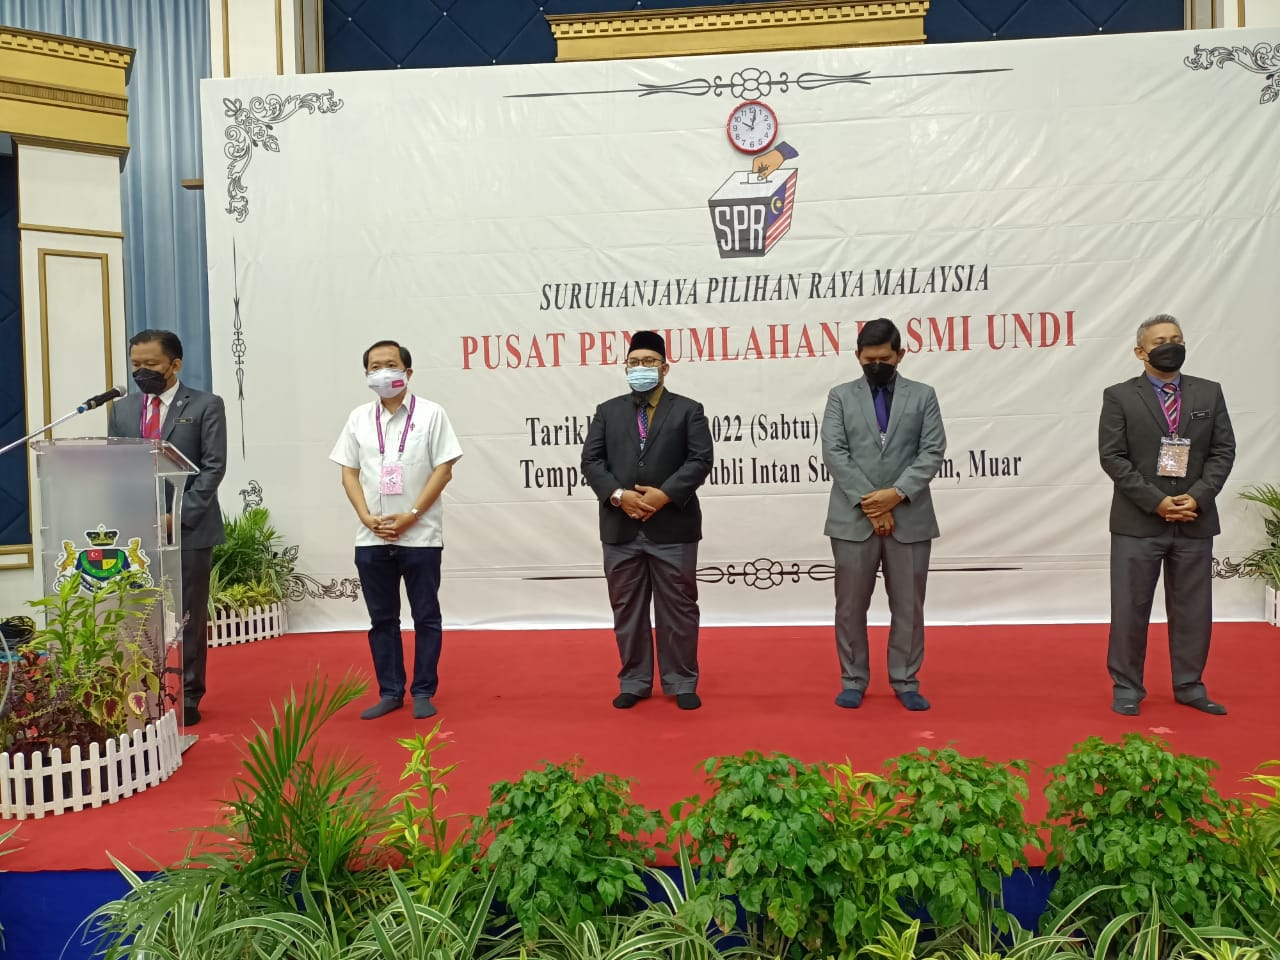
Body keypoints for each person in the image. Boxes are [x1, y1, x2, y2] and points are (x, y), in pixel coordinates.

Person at [1098, 314, 1235, 717]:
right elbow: (1113, 457)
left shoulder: (1209, 393)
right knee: (1130, 609)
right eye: (1159, 341)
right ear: (1140, 352)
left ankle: (1190, 686)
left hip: (1195, 519)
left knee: (1193, 610)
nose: (1170, 345)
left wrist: (1198, 497)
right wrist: (1156, 501)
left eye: (1176, 338)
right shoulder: (1119, 396)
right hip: (1137, 523)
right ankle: (1127, 688)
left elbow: (1223, 451)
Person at [330, 340, 462, 721]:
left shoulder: (432, 414)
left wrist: (413, 514)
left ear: (408, 371)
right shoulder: (358, 418)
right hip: (372, 536)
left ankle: (423, 691)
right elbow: (348, 472)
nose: (382, 372)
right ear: (366, 374)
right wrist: (364, 516)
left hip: (420, 536)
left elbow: (444, 469)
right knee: (382, 619)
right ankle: (390, 692)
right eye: (374, 367)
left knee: (426, 616)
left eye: (390, 365)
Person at [581, 331, 713, 710]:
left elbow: (700, 459)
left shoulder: (688, 410)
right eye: (634, 363)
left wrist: (664, 494)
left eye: (649, 362)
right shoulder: (608, 411)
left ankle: (681, 681)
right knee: (627, 609)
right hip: (621, 526)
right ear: (626, 368)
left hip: (673, 526)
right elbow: (591, 461)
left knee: (679, 609)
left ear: (664, 368)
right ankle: (635, 681)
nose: (641, 368)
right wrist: (619, 496)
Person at [820, 318, 946, 712]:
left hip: (910, 516)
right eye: (869, 359)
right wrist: (871, 504)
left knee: (908, 606)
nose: (876, 365)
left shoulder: (923, 395)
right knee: (850, 607)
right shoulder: (840, 396)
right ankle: (853, 680)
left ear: (900, 355)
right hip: (853, 519)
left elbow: (932, 451)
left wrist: (896, 495)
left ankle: (906, 680)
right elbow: (834, 452)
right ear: (857, 356)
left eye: (884, 359)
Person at [108, 329, 226, 727]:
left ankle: (189, 693)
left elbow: (213, 467)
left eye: (151, 364)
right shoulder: (123, 410)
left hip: (189, 529)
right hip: (137, 531)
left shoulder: (206, 405)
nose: (142, 371)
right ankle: (143, 689)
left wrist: (180, 514)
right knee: (139, 614)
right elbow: (116, 468)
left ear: (175, 364)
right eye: (136, 364)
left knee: (188, 615)